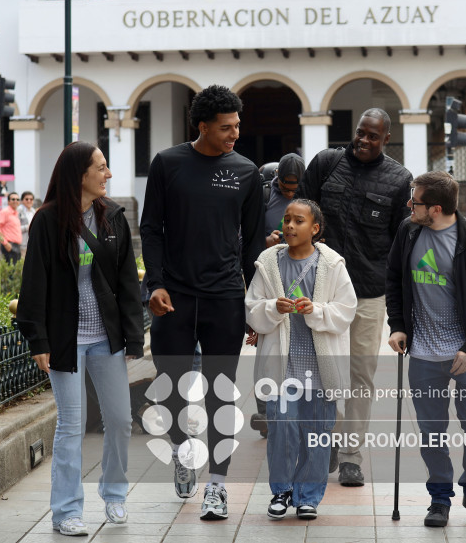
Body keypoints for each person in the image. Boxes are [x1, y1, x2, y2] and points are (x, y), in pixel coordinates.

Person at [139, 84, 265, 520]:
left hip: (225, 295)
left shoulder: (246, 172)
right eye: (226, 127)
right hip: (174, 295)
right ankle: (180, 450)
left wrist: (253, 302)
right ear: (203, 125)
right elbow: (151, 228)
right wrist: (154, 284)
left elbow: (251, 246)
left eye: (237, 127)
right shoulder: (168, 163)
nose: (234, 134)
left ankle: (217, 486)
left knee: (221, 391)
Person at [17, 142, 143, 536]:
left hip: (106, 338)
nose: (108, 174)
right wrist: (38, 341)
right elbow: (34, 282)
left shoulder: (113, 219)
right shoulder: (48, 220)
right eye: (101, 167)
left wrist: (134, 338)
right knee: (72, 424)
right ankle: (66, 511)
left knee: (120, 420)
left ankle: (115, 495)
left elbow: (126, 282)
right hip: (65, 339)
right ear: (80, 174)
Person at [298, 108, 411, 487]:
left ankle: (350, 455)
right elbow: (299, 214)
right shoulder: (327, 163)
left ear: (386, 140)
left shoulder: (399, 180)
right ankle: (322, 440)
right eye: (360, 133)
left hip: (368, 293)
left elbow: (401, 246)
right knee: (318, 373)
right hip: (319, 293)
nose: (363, 141)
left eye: (372, 136)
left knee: (360, 375)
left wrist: (401, 311)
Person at [386, 171, 466, 528]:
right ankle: (439, 498)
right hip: (422, 352)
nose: (410, 205)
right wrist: (398, 325)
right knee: (432, 431)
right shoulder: (408, 232)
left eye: (415, 201)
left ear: (435, 208)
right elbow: (393, 279)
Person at [246, 199, 357, 521]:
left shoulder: (333, 265)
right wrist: (272, 308)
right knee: (282, 427)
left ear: (315, 228)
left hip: (321, 367)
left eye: (299, 221)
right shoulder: (268, 263)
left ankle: (308, 496)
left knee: (317, 432)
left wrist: (316, 311)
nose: (291, 227)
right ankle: (281, 490)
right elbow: (252, 306)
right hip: (282, 365)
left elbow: (346, 310)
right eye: (287, 220)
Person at [250, 152, 306, 439]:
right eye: (286, 186)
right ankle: (265, 408)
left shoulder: (308, 196)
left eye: (295, 186)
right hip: (268, 280)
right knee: (265, 347)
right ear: (277, 179)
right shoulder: (262, 196)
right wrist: (266, 241)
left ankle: (290, 406)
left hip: (298, 278)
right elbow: (243, 237)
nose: (291, 191)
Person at [0, 192, 23, 264]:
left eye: (17, 199)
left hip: (17, 246)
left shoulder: (16, 213)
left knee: (16, 271)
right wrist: (5, 243)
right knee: (10, 272)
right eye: (13, 199)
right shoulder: (5, 212)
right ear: (8, 201)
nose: (15, 201)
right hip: (9, 246)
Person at [18, 191, 37, 258]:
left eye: (31, 199)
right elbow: (15, 228)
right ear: (22, 200)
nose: (29, 201)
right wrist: (27, 227)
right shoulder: (19, 211)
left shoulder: (33, 211)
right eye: (26, 199)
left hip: (32, 244)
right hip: (22, 244)